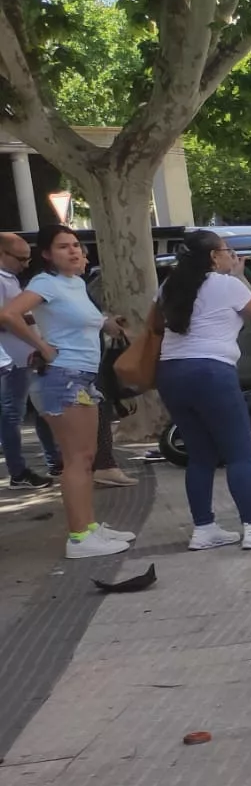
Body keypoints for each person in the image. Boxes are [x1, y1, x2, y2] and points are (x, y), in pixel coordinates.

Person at [0, 226, 135, 557]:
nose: (74, 251)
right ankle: (79, 537)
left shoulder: (74, 283)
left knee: (86, 458)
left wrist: (107, 323)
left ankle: (88, 526)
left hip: (81, 377)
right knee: (76, 459)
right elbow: (9, 314)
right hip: (63, 377)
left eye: (76, 245)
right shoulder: (45, 283)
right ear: (46, 254)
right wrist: (43, 347)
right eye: (63, 247)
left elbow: (80, 319)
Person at [156, 230, 251, 550]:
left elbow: (156, 324)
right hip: (212, 371)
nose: (232, 256)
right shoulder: (226, 285)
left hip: (171, 371)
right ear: (213, 256)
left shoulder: (169, 285)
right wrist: (240, 277)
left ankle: (203, 528)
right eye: (227, 251)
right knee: (239, 452)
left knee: (199, 455)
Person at [1, 231, 59, 489]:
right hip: (12, 360)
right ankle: (18, 472)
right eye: (20, 259)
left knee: (38, 409)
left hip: (23, 357)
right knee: (12, 415)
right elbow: (5, 318)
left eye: (28, 259)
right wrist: (31, 318)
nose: (25, 265)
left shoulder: (9, 278)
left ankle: (53, 459)